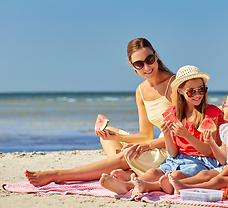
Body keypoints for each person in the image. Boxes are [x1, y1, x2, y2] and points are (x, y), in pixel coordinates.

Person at [25, 38, 175, 186]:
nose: (146, 67)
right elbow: (145, 135)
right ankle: (129, 173)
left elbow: (183, 133)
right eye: (139, 64)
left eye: (149, 59)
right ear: (132, 66)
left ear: (156, 55)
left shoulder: (173, 84)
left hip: (171, 150)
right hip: (154, 145)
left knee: (126, 153)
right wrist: (116, 136)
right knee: (109, 133)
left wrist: (146, 146)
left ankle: (58, 175)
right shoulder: (141, 91)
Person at [99, 65, 225, 195]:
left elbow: (208, 150)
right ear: (180, 91)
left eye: (201, 89)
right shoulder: (172, 114)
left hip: (201, 162)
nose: (197, 94)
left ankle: (145, 186)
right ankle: (127, 185)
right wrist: (166, 135)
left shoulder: (211, 113)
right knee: (154, 172)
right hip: (177, 159)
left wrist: (187, 136)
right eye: (191, 91)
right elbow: (173, 153)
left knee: (176, 175)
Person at [161, 88, 228, 193]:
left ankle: (185, 187)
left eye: (225, 104)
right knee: (205, 174)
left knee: (217, 180)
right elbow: (223, 160)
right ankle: (175, 184)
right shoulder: (227, 129)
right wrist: (212, 143)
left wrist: (218, 175)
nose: (222, 107)